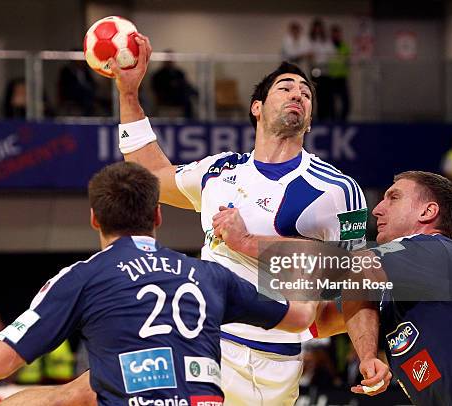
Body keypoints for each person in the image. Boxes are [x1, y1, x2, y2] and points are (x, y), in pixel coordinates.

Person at [108, 35, 386, 405]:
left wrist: (367, 355)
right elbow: (151, 174)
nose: (298, 94)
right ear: (257, 107)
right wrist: (128, 94)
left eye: (306, 93)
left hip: (279, 362)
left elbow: (355, 284)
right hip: (208, 345)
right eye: (285, 87)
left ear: (310, 117)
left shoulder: (339, 189)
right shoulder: (218, 171)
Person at [0, 161, 318, 405]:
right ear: (157, 216)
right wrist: (267, 244)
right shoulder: (210, 274)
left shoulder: (83, 277)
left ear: (94, 219)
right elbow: (301, 317)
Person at [301, 171, 452, 404]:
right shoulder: (395, 288)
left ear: (427, 212)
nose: (377, 209)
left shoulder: (436, 250)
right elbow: (319, 321)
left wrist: (282, 243)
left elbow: (354, 267)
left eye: (393, 198)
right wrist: (368, 356)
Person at [151, 51, 198, 119]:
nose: (170, 61)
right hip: (166, 97)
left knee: (189, 96)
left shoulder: (179, 72)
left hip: (180, 95)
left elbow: (185, 83)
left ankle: (190, 121)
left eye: (172, 59)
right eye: (168, 59)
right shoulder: (158, 74)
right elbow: (157, 88)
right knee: (185, 98)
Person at [308, 18, 335, 121]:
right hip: (315, 71)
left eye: (319, 28)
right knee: (317, 95)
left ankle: (327, 116)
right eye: (316, 28)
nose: (318, 30)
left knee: (327, 96)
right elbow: (310, 53)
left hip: (326, 71)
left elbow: (332, 53)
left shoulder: (326, 41)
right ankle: (318, 116)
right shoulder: (311, 40)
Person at [328, 25, 350, 121]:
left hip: (342, 76)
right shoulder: (328, 46)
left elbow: (347, 59)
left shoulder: (344, 46)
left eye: (338, 33)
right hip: (331, 76)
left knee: (345, 101)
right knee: (331, 101)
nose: (336, 35)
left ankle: (343, 119)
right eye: (334, 33)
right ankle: (333, 119)